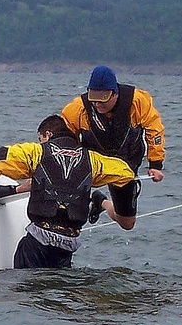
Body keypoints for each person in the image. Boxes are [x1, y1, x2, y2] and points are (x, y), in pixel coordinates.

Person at [0, 115, 135, 269]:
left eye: (41, 139)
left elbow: (1, 157)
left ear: (47, 134)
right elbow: (126, 174)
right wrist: (126, 209)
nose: (41, 143)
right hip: (67, 245)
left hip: (38, 242)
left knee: (27, 291)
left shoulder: (38, 152)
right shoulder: (92, 160)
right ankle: (100, 202)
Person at [60, 65, 165, 230]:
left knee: (127, 223)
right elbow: (63, 138)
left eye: (103, 99)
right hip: (93, 162)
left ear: (115, 94)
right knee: (70, 206)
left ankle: (101, 202)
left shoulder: (138, 101)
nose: (97, 104)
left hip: (125, 166)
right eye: (93, 98)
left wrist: (156, 164)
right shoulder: (77, 108)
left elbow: (155, 131)